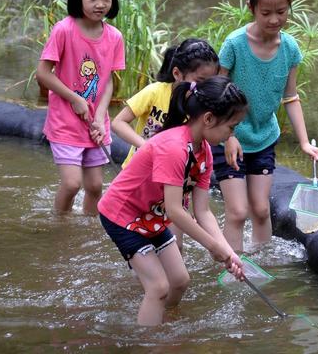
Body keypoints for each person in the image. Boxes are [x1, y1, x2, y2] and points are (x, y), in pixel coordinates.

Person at [99, 76, 247, 326]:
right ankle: (148, 341)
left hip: (152, 218)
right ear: (208, 118)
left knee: (179, 281)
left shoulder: (204, 151)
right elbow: (176, 211)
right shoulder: (174, 148)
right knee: (158, 287)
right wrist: (213, 247)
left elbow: (203, 212)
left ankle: (160, 320)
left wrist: (229, 252)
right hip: (122, 216)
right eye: (231, 127)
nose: (232, 134)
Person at [214, 0, 318, 252]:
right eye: (266, 13)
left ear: (290, 7)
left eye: (281, 11)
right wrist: (229, 135)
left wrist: (303, 142)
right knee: (237, 212)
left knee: (261, 210)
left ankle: (261, 266)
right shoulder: (234, 45)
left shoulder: (290, 48)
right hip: (230, 139)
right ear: (251, 8)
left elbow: (291, 97)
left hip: (263, 138)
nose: (274, 20)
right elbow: (216, 93)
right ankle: (234, 268)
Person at [36, 0, 125, 215]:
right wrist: (74, 98)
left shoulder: (114, 36)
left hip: (95, 123)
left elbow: (107, 80)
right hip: (66, 122)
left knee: (96, 186)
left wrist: (100, 117)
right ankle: (60, 225)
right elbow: (43, 73)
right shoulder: (64, 30)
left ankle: (87, 228)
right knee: (72, 183)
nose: (100, 4)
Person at [111, 38, 219, 169]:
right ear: (177, 74)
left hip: (173, 173)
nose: (205, 88)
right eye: (200, 81)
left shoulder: (204, 107)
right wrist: (147, 147)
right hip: (139, 168)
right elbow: (118, 123)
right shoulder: (155, 92)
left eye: (210, 83)